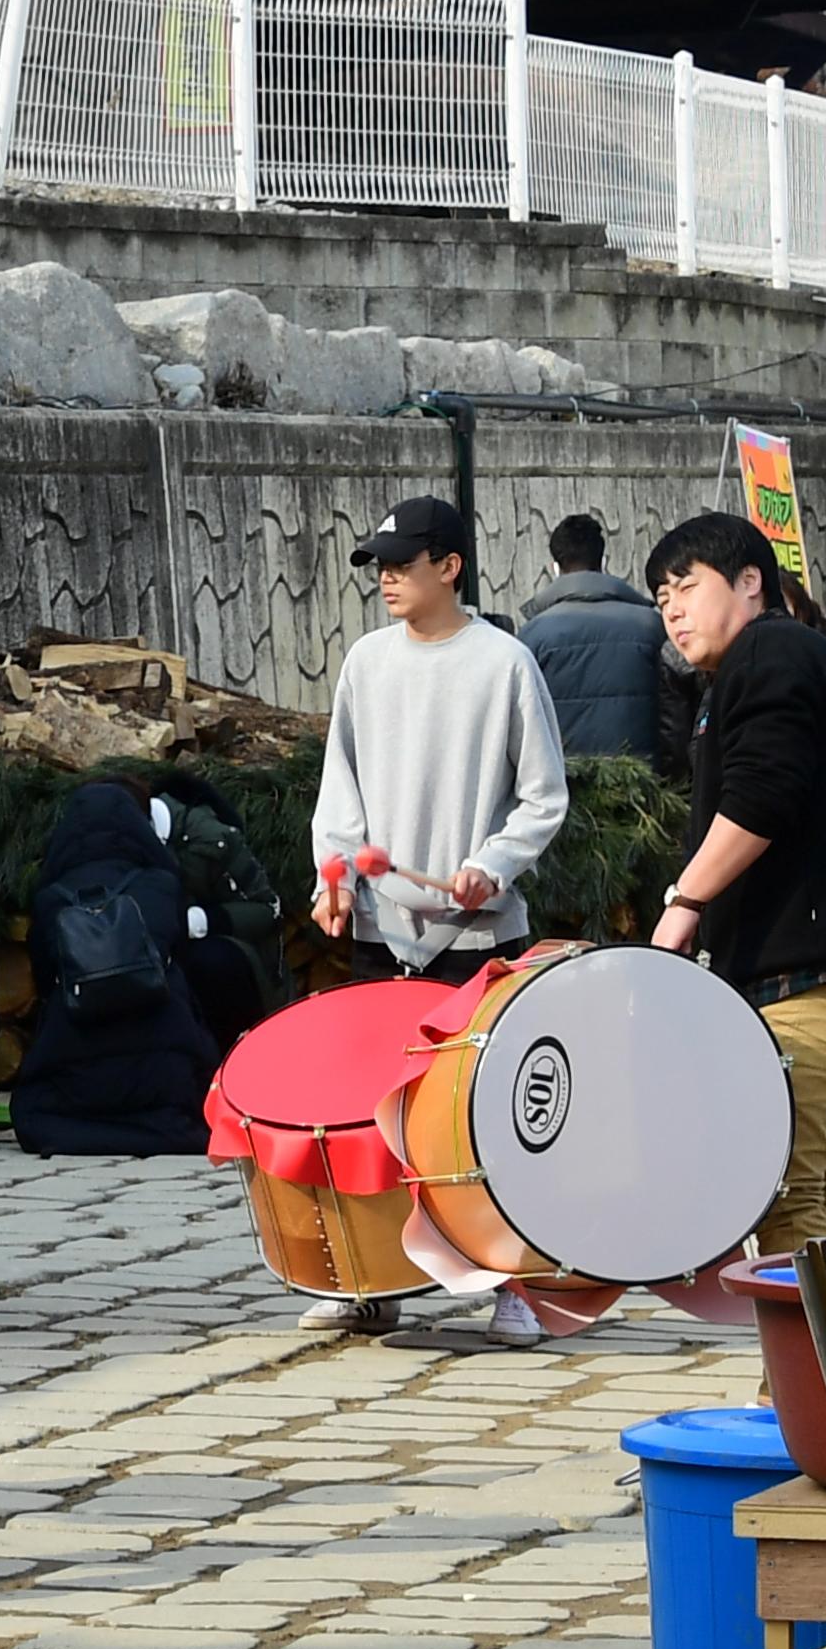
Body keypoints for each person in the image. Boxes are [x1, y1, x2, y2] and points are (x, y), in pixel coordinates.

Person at [307, 495, 567, 1344]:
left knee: (484, 1119)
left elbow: (542, 796)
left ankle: (511, 1286)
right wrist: (336, 873)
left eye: (402, 562)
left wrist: (488, 867)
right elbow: (338, 787)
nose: (386, 577)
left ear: (449, 566)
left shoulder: (504, 664)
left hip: (479, 935)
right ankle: (369, 1283)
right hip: (384, 933)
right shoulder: (366, 663)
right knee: (367, 1113)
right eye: (379, 564)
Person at [645, 513, 826, 1256]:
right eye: (659, 597)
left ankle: (801, 1375)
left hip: (816, 981)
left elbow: (763, 796)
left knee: (784, 1191)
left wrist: (685, 903)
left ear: (749, 582)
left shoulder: (769, 649)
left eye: (685, 586)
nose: (670, 608)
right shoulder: (782, 660)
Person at [516, 513, 669, 764]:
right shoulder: (653, 625)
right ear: (604, 561)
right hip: (648, 785)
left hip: (567, 785)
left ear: (555, 567)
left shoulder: (532, 635)